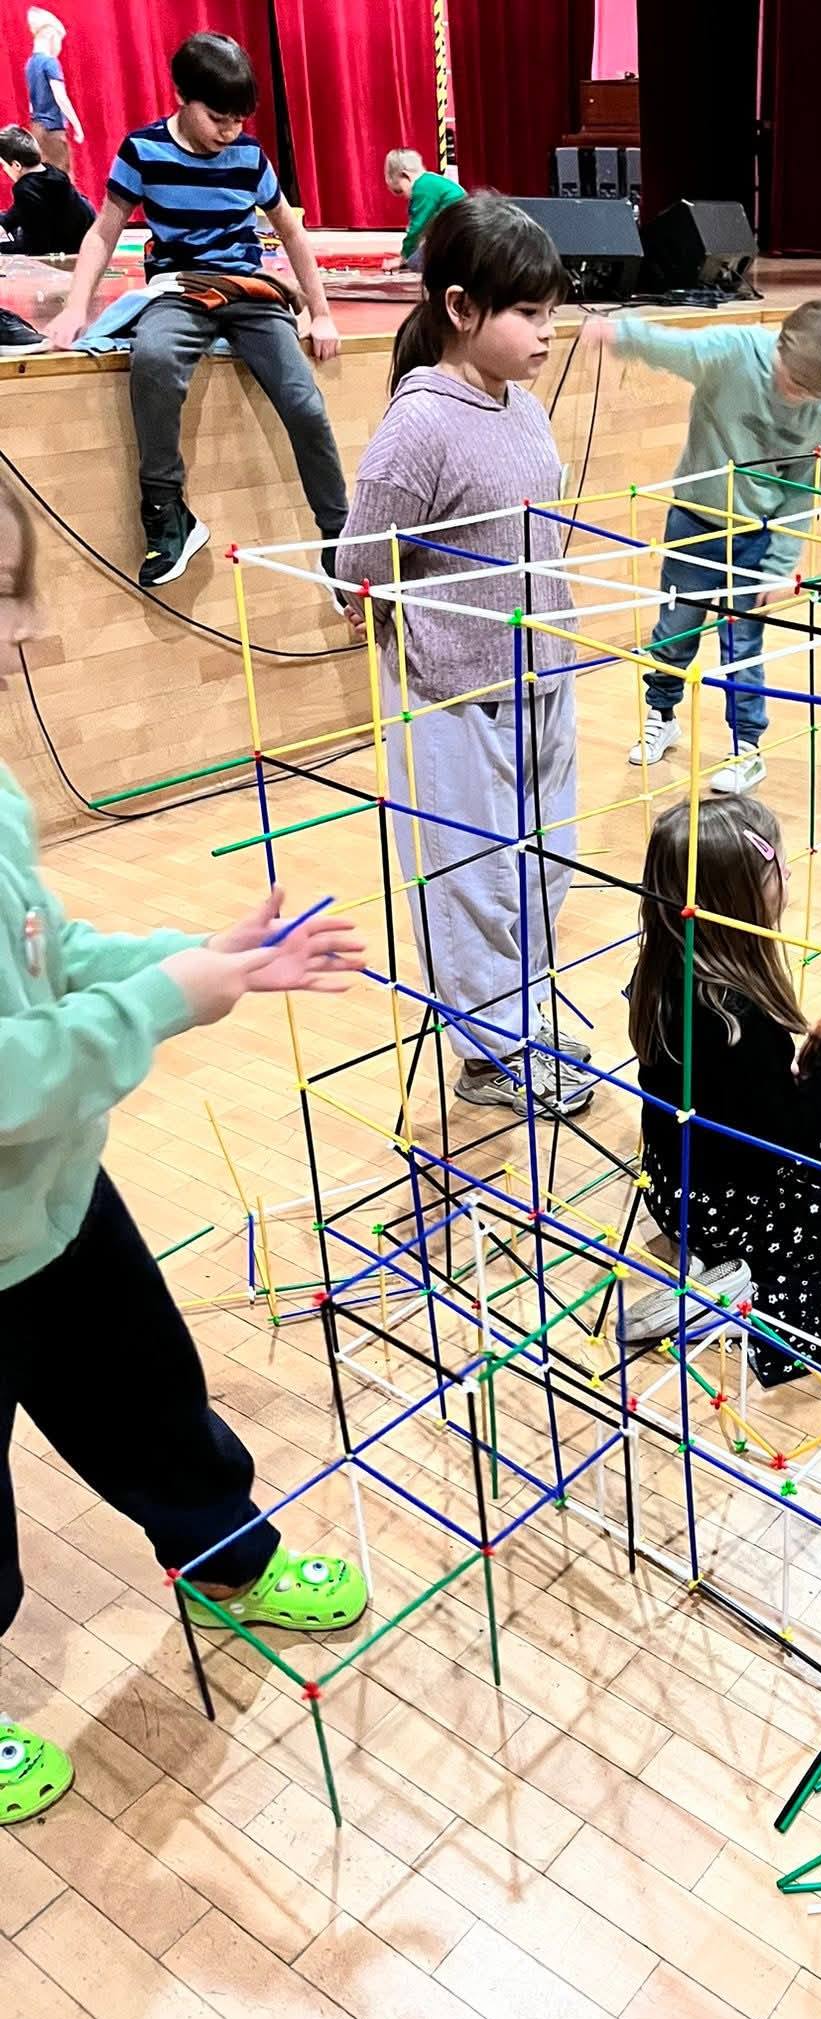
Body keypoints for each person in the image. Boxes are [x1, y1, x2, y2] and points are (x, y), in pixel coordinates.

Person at [0, 479, 370, 1823]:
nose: (25, 629)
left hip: (50, 1199)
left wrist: (193, 956)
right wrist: (169, 998)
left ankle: (223, 1553)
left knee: (147, 1387)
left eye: (15, 589)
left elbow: (45, 958)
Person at [337, 194, 592, 1120]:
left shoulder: (521, 406)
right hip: (455, 694)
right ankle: (491, 1056)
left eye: (551, 311)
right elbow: (359, 567)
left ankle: (521, 1017)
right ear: (460, 308)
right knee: (473, 882)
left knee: (547, 864)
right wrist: (417, 639)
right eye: (528, 312)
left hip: (543, 675)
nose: (546, 332)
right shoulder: (420, 424)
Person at [630, 792, 821, 1386]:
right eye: (778, 869)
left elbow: (742, 1105)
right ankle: (742, 1307)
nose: (789, 876)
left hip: (678, 1183)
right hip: (727, 1203)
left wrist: (808, 1063)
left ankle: (744, 1263)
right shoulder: (733, 1014)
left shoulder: (670, 969)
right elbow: (782, 1142)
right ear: (739, 896)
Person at [44, 32, 347, 594]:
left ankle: (338, 535)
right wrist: (76, 307)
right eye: (217, 118)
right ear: (181, 95)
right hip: (180, 287)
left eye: (238, 120)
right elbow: (104, 230)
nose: (229, 131)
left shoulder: (249, 157)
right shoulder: (143, 150)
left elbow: (291, 231)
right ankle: (167, 511)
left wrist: (322, 312)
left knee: (304, 401)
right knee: (154, 359)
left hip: (248, 289)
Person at [588, 301, 821, 795]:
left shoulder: (820, 413)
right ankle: (661, 716)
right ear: (782, 345)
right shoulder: (734, 352)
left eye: (814, 393)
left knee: (742, 645)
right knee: (674, 631)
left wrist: (780, 567)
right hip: (694, 524)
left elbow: (801, 492)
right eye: (795, 382)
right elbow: (675, 349)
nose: (799, 397)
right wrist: (623, 335)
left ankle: (746, 747)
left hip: (756, 537)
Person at [0, 121, 92, 254]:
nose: (4, 169)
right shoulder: (52, 172)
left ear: (16, 165)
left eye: (3, 165)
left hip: (63, 246)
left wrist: (3, 247)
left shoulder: (25, 188)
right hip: (83, 235)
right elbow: (18, 211)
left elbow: (35, 245)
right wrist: (4, 224)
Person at [382, 148, 463, 274]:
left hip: (457, 232)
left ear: (406, 175)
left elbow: (417, 228)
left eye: (400, 190)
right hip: (459, 230)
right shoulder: (431, 180)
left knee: (416, 262)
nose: (406, 197)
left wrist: (403, 258)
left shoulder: (422, 186)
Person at [23, 8, 81, 175]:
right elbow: (60, 97)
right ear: (50, 35)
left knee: (41, 176)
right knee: (62, 177)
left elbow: (31, 103)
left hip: (37, 129)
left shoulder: (30, 64)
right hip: (53, 130)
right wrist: (77, 126)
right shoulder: (50, 63)